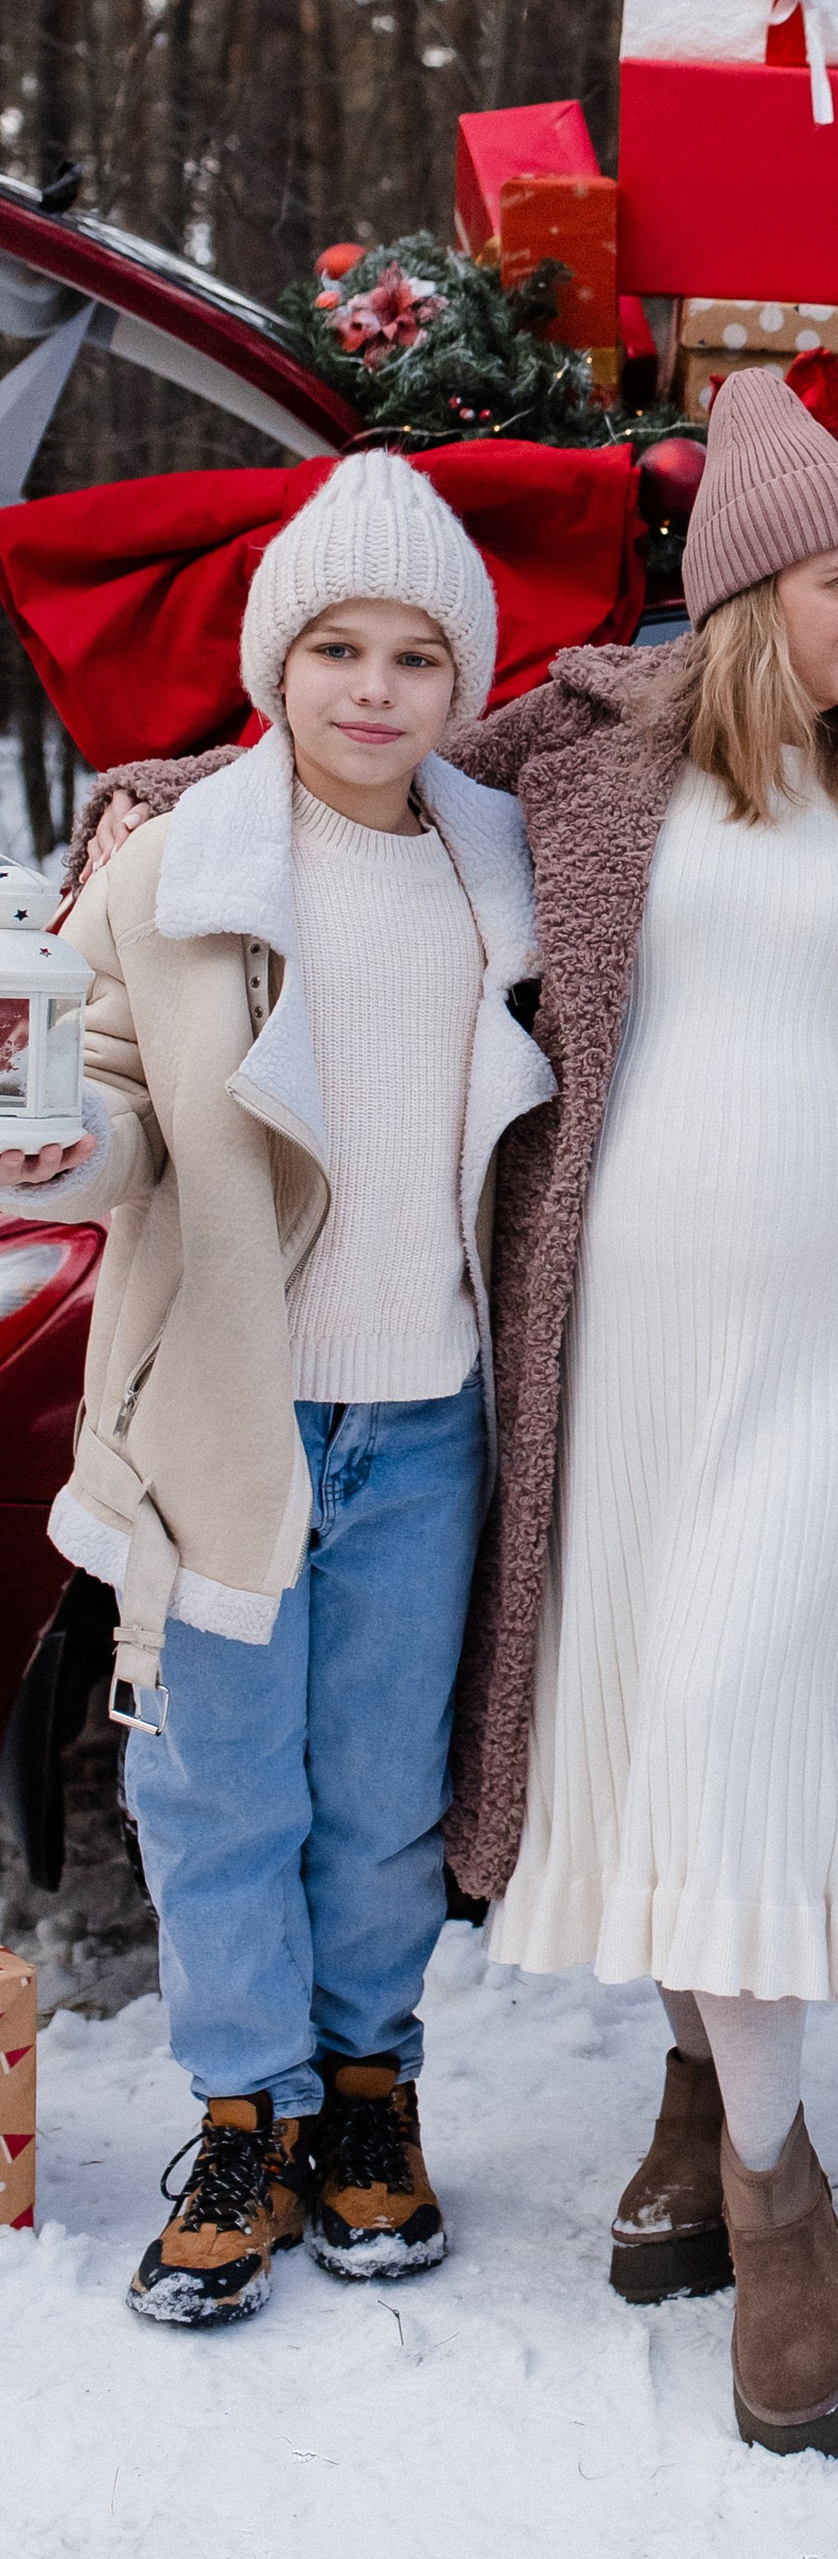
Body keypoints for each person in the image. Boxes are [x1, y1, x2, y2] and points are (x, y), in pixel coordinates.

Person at [73, 369, 838, 2460]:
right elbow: (342, 777)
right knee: (663, 1729)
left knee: (751, 1716)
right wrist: (149, 799)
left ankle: (778, 2200)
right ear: (753, 587)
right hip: (612, 1356)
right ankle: (704, 2102)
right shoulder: (584, 758)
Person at [1, 452, 553, 2327]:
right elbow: (96, 1091)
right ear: (274, 662)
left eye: (414, 655)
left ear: (460, 682)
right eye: (337, 648)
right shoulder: (180, 869)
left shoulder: (497, 869)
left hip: (428, 1415)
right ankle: (244, 2111)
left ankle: (371, 2093)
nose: (374, 690)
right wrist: (61, 1152)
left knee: (381, 1792)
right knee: (220, 1789)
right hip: (233, 1412)